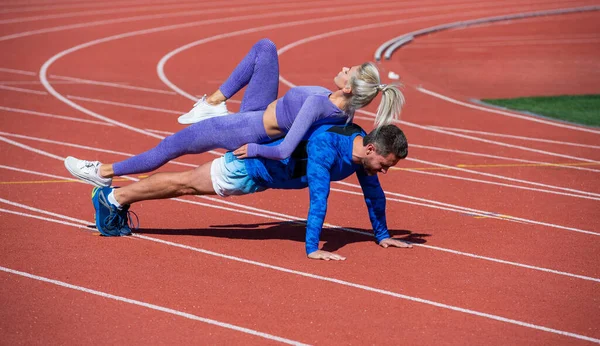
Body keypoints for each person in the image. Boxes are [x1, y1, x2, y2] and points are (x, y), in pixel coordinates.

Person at [64, 38, 405, 188]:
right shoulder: (342, 112)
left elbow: (286, 148)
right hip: (259, 108)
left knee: (172, 145)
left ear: (348, 89)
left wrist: (255, 149)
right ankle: (213, 101)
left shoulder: (320, 105)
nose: (343, 68)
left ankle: (105, 171)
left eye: (348, 71)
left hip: (249, 128)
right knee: (266, 47)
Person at [90, 123, 411, 261]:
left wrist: (381, 234)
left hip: (260, 175)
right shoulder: (327, 149)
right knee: (184, 184)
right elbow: (319, 200)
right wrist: (312, 248)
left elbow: (374, 195)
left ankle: (119, 197)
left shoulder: (358, 147)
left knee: (186, 182)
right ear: (371, 148)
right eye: (385, 163)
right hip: (248, 169)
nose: (384, 170)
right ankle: (113, 199)